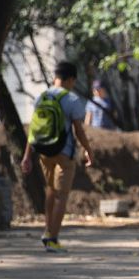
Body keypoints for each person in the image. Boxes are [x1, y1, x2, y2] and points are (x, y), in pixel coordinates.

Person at [21, 62, 94, 253]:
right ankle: (52, 238)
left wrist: (27, 156)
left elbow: (33, 131)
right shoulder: (71, 99)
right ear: (71, 79)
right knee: (62, 196)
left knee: (50, 191)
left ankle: (48, 231)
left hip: (44, 152)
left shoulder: (42, 97)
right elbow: (78, 130)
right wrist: (88, 150)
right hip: (64, 152)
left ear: (55, 77)